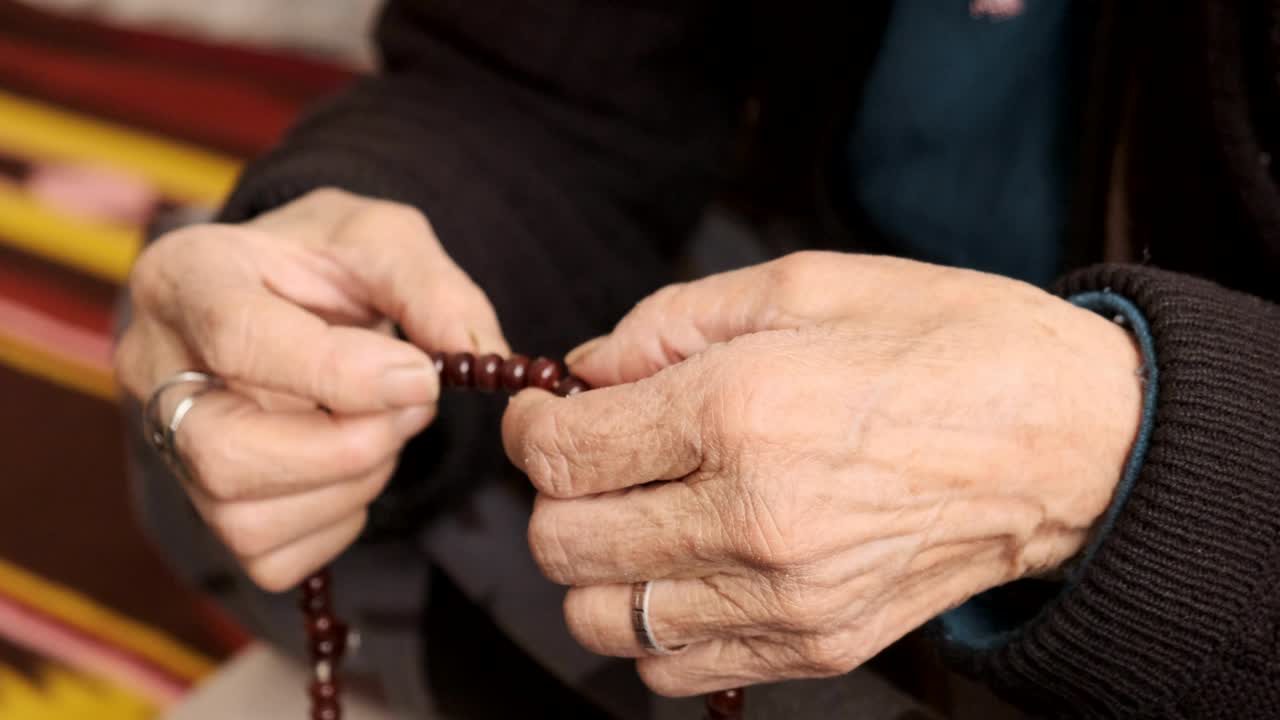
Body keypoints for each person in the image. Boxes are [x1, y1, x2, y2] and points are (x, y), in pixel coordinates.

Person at [114, 1, 1280, 717]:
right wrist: (363, 253)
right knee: (224, 386)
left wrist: (1101, 450)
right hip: (792, 291)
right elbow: (536, 90)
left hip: (1212, 522)